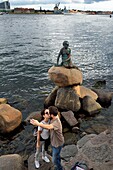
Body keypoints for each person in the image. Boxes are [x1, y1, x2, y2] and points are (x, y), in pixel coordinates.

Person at [30, 106, 64, 170]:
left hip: (48, 139)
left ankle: (44, 156)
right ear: (43, 115)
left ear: (51, 115)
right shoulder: (42, 123)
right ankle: (36, 160)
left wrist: (37, 123)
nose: (48, 114)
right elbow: (39, 133)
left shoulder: (51, 121)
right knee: (38, 151)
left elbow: (49, 127)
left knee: (44, 149)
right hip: (42, 139)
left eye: (49, 113)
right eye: (46, 113)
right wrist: (38, 142)